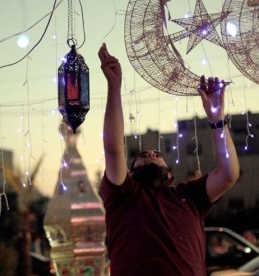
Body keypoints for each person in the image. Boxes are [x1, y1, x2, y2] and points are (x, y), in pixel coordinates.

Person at [98, 43, 240, 276]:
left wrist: (217, 119)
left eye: (157, 155)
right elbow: (113, 149)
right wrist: (114, 87)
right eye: (143, 156)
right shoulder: (123, 196)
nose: (151, 154)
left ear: (171, 176)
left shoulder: (188, 196)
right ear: (130, 174)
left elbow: (228, 174)